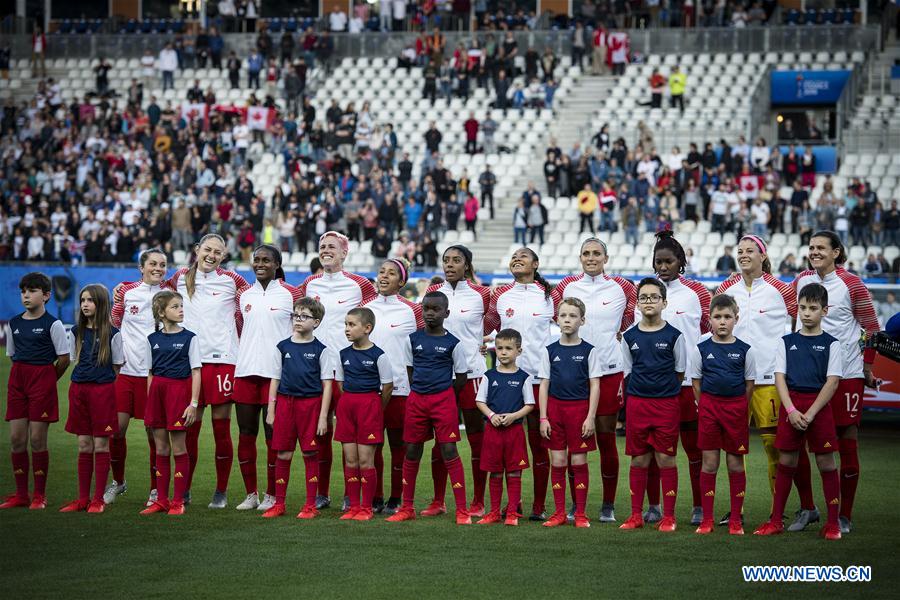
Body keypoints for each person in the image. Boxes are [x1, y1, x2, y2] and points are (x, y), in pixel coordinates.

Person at [790, 231, 880, 534]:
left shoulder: (852, 283)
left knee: (845, 441)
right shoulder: (801, 280)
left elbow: (872, 328)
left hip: (846, 374)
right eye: (811, 247)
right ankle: (808, 508)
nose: (814, 252)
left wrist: (867, 368)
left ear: (836, 252)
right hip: (806, 375)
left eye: (821, 248)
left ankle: (845, 515)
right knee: (796, 442)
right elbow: (790, 319)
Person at [552, 238, 636, 522]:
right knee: (575, 440)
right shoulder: (566, 286)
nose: (591, 258)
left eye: (596, 253)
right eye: (586, 253)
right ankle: (577, 504)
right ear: (580, 257)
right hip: (573, 372)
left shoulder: (622, 287)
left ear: (606, 258)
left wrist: (614, 336)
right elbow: (558, 318)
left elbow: (628, 320)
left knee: (605, 436)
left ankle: (608, 504)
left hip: (610, 370)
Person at [715, 235, 797, 525]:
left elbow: (800, 321)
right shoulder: (726, 287)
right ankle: (736, 510)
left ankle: (779, 510)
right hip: (733, 381)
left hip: (768, 379)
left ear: (763, 256)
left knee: (775, 447)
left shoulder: (780, 289)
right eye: (740, 251)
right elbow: (713, 320)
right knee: (734, 448)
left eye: (750, 250)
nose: (744, 255)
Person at [753, 283, 843, 540]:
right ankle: (775, 520)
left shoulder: (831, 344)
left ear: (825, 311)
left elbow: (832, 381)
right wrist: (791, 410)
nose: (806, 313)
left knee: (826, 463)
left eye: (813, 308)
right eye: (802, 307)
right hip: (791, 406)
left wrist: (811, 413)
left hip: (819, 408)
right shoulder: (786, 342)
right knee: (787, 461)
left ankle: (833, 524)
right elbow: (779, 377)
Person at [167, 234, 249, 508]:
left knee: (221, 430)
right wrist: (124, 287)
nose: (212, 255)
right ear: (197, 249)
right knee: (189, 428)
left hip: (222, 360)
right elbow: (155, 293)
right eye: (208, 249)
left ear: (223, 256)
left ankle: (221, 491)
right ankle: (185, 489)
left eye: (218, 252)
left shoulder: (233, 281)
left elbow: (257, 298)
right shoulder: (179, 277)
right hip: (188, 361)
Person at [298, 231, 377, 510]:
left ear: (345, 253)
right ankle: (321, 492)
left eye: (332, 247)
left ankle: (351, 493)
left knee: (350, 434)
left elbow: (373, 322)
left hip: (350, 369)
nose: (326, 250)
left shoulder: (360, 285)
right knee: (319, 432)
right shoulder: (309, 284)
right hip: (315, 369)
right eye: (322, 246)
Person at [642, 230, 710, 526]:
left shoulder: (697, 293)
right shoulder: (645, 293)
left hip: (687, 385)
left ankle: (698, 506)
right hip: (654, 386)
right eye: (658, 262)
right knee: (655, 449)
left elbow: (706, 331)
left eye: (668, 261)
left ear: (680, 262)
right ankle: (654, 506)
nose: (663, 267)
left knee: (694, 449)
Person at [386, 292, 471, 524]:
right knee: (411, 450)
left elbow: (461, 377)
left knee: (449, 451)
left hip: (443, 401)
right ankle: (407, 507)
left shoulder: (454, 343)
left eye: (435, 309)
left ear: (447, 313)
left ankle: (462, 510)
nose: (430, 313)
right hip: (417, 400)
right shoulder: (412, 339)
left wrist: (443, 394)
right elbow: (410, 370)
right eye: (426, 308)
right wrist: (422, 391)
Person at [485, 248, 558, 520]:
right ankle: (509, 504)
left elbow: (570, 324)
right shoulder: (500, 296)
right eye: (514, 256)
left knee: (540, 444)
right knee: (505, 445)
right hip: (507, 380)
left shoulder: (551, 295)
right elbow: (485, 327)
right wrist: (479, 346)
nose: (517, 259)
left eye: (523, 256)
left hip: (540, 378)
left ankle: (539, 506)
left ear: (535, 264)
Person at [233, 245, 302, 512]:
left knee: (274, 436)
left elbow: (299, 329)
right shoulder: (243, 294)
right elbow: (240, 327)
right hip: (246, 371)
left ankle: (272, 494)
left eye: (266, 260)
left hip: (277, 375)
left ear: (277, 264)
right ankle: (251, 493)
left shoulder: (291, 294)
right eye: (257, 260)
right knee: (246, 434)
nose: (260, 264)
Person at [425, 246, 492, 517]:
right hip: (440, 378)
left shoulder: (483, 294)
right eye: (446, 260)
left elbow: (493, 324)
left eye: (456, 260)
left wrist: (481, 344)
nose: (450, 264)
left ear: (467, 265)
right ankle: (438, 500)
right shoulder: (433, 293)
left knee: (477, 438)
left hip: (473, 375)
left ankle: (478, 501)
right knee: (441, 439)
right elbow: (426, 327)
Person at [619, 278, 687, 532]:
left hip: (666, 404)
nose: (649, 301)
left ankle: (668, 517)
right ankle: (636, 515)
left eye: (654, 297)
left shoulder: (674, 336)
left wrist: (662, 391)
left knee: (666, 459)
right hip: (637, 404)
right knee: (638, 460)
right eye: (644, 297)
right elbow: (628, 371)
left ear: (664, 302)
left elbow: (679, 372)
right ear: (637, 304)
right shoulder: (629, 336)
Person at [106, 249, 171, 507]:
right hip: (127, 373)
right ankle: (118, 482)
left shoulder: (170, 294)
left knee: (153, 434)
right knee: (116, 430)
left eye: (163, 264)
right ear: (141, 267)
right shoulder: (126, 292)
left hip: (154, 375)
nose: (158, 268)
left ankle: (155, 490)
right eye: (153, 264)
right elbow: (114, 322)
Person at [688, 294, 757, 535]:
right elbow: (696, 382)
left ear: (736, 319)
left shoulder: (745, 350)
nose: (723, 321)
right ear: (710, 320)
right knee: (709, 462)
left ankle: (736, 519)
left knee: (735, 463)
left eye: (727, 317)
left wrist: (739, 408)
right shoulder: (701, 348)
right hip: (709, 409)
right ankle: (707, 519)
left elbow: (750, 384)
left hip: (735, 410)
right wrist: (705, 406)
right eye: (717, 317)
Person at [0, 273, 70, 510]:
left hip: (42, 380)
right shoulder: (14, 323)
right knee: (17, 439)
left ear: (46, 295)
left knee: (38, 439)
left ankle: (39, 495)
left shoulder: (54, 324)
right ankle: (21, 494)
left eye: (32, 291)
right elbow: (12, 356)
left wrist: (49, 380)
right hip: (18, 380)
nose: (26, 295)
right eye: (23, 291)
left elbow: (63, 359)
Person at [263, 297, 335, 518]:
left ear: (317, 322)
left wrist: (324, 417)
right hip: (285, 404)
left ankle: (310, 505)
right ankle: (279, 504)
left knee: (310, 453)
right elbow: (275, 379)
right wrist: (271, 409)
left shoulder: (321, 349)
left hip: (310, 405)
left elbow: (327, 384)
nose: (298, 320)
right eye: (296, 315)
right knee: (282, 453)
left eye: (304, 316)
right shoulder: (282, 346)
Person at [364, 258, 425, 515]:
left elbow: (421, 347)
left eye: (391, 273)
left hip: (401, 388)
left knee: (399, 446)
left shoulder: (413, 310)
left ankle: (396, 498)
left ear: (402, 281)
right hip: (370, 388)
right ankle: (375, 496)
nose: (384, 277)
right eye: (381, 272)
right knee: (373, 445)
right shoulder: (365, 308)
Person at [59, 285, 124, 514]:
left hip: (102, 392)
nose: (85, 304)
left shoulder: (114, 334)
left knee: (100, 444)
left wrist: (101, 383)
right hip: (78, 390)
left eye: (90, 300)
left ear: (102, 303)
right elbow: (74, 358)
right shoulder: (76, 331)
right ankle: (82, 499)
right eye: (83, 300)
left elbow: (117, 366)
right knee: (84, 444)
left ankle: (98, 500)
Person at [537, 298, 600, 528]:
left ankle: (581, 513)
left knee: (578, 460)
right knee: (559, 460)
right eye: (563, 315)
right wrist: (543, 417)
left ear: (582, 320)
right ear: (557, 319)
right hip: (555, 410)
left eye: (572, 316)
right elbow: (544, 384)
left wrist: (590, 416)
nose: (567, 319)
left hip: (579, 411)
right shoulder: (550, 350)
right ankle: (559, 513)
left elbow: (595, 384)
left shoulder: (589, 351)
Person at [139, 290, 201, 516]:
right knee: (161, 449)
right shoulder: (151, 339)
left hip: (178, 394)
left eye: (181, 305)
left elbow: (196, 372)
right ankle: (162, 500)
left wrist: (193, 403)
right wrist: (149, 404)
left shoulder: (190, 337)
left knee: (178, 448)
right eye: (175, 307)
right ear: (161, 312)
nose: (181, 309)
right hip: (157, 395)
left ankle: (178, 501)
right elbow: (150, 374)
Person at [333, 307, 394, 520]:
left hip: (369, 406)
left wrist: (376, 408)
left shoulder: (379, 355)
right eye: (346, 325)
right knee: (350, 460)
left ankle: (366, 508)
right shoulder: (343, 354)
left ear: (367, 328)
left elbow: (387, 386)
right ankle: (354, 507)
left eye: (352, 325)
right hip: (347, 405)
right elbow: (340, 383)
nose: (347, 329)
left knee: (366, 461)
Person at [474, 328, 534, 526]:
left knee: (514, 472)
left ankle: (512, 513)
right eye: (499, 348)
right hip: (493, 431)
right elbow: (480, 401)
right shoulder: (489, 376)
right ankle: (493, 512)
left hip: (514, 431)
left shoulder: (524, 377)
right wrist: (491, 416)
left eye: (509, 348)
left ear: (519, 350)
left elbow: (530, 405)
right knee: (496, 471)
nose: (503, 352)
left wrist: (514, 416)